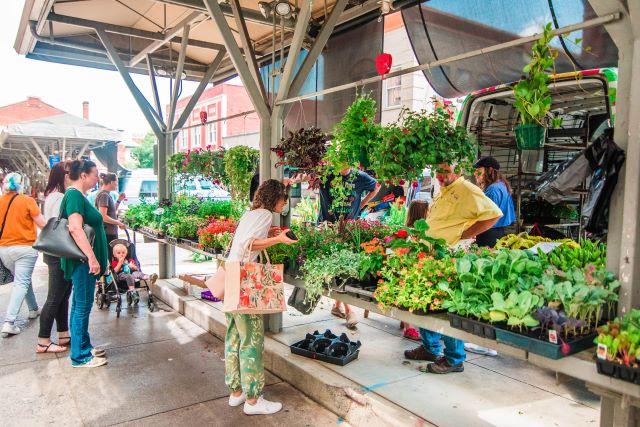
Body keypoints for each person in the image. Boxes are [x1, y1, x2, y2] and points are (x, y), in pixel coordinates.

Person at [404, 163, 502, 374]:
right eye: (438, 171)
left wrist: (464, 234)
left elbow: (494, 215)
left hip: (447, 258)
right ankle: (430, 348)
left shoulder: (467, 189)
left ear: (458, 171)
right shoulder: (444, 189)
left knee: (447, 308)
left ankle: (454, 359)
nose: (440, 175)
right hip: (430, 256)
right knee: (426, 303)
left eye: (446, 171)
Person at [225, 179, 297, 415]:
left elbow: (243, 241)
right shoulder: (265, 214)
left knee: (234, 337)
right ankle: (254, 400)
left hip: (230, 274)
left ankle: (237, 393)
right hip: (245, 280)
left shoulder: (251, 213)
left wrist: (273, 234)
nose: (284, 202)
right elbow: (250, 244)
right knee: (252, 340)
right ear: (274, 198)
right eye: (283, 197)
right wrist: (278, 239)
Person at [61, 159, 109, 368]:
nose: (97, 178)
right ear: (83, 175)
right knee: (82, 306)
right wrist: (92, 257)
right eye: (94, 174)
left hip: (82, 262)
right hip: (82, 262)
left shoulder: (79, 196)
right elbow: (75, 228)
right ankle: (80, 357)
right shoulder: (73, 195)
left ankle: (82, 346)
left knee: (78, 306)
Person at [318, 167, 380, 329]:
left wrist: (362, 204)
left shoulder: (359, 177)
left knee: (343, 267)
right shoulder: (327, 174)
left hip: (349, 227)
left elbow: (376, 186)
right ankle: (347, 309)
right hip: (329, 226)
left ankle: (340, 306)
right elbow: (306, 177)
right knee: (338, 268)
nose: (343, 168)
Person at [0, 173, 47, 337]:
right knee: (21, 282)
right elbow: (42, 224)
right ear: (22, 185)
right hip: (25, 248)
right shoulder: (27, 201)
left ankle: (33, 309)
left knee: (23, 279)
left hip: (4, 249)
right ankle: (9, 322)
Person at [36, 162, 73, 353]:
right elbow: (66, 224)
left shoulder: (53, 195)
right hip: (59, 252)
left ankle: (63, 332)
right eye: (69, 173)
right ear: (64, 176)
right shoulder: (60, 197)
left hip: (55, 251)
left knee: (62, 295)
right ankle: (43, 340)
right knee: (54, 297)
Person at [399, 200, 430, 341]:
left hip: (415, 269)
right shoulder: (410, 233)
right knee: (409, 293)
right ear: (422, 213)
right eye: (428, 211)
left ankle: (406, 321)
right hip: (408, 271)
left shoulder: (412, 230)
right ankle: (408, 328)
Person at [473, 156, 516, 247]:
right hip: (499, 232)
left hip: (488, 234)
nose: (475, 173)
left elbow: (487, 217)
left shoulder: (492, 190)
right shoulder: (502, 185)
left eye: (478, 170)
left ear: (490, 170)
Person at [95, 173, 126, 245]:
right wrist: (118, 222)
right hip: (108, 233)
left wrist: (119, 200)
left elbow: (110, 212)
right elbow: (103, 216)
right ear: (111, 182)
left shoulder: (106, 194)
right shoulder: (104, 195)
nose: (117, 184)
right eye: (116, 182)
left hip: (109, 232)